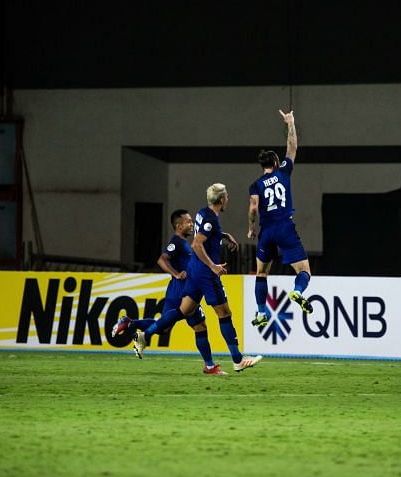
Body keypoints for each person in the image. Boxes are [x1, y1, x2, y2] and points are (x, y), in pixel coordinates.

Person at [130, 183, 263, 373]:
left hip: (194, 271)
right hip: (205, 274)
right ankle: (238, 359)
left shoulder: (203, 213)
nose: (228, 199)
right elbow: (196, 244)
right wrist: (213, 266)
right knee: (224, 314)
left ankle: (145, 336)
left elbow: (205, 234)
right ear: (221, 199)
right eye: (227, 196)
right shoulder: (210, 219)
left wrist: (224, 235)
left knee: (183, 311)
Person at [112, 208, 226, 375]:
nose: (192, 224)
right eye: (188, 222)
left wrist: (223, 235)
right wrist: (177, 273)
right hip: (181, 291)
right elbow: (162, 259)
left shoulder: (184, 242)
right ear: (179, 226)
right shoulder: (177, 242)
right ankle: (209, 366)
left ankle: (131, 323)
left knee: (166, 327)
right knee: (199, 326)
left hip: (178, 289)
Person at [247, 109, 313, 329]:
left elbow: (253, 207)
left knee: (261, 273)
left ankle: (261, 312)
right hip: (285, 228)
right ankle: (297, 291)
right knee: (303, 271)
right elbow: (292, 147)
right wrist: (290, 123)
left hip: (266, 231)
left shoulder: (255, 184)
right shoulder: (283, 172)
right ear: (276, 162)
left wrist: (251, 227)